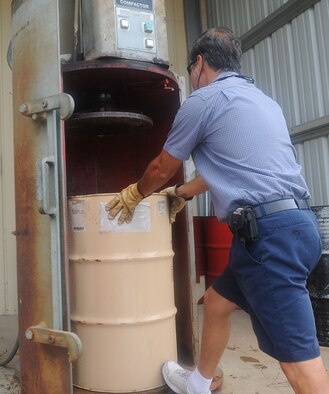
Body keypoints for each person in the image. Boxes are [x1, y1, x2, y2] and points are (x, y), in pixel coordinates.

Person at [106, 27, 329, 394]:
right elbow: (230, 170)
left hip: (269, 242)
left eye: (192, 70)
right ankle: (198, 383)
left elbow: (162, 167)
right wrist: (181, 193)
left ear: (199, 64)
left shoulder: (204, 100)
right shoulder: (262, 102)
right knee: (215, 301)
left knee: (301, 363)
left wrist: (134, 194)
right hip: (297, 227)